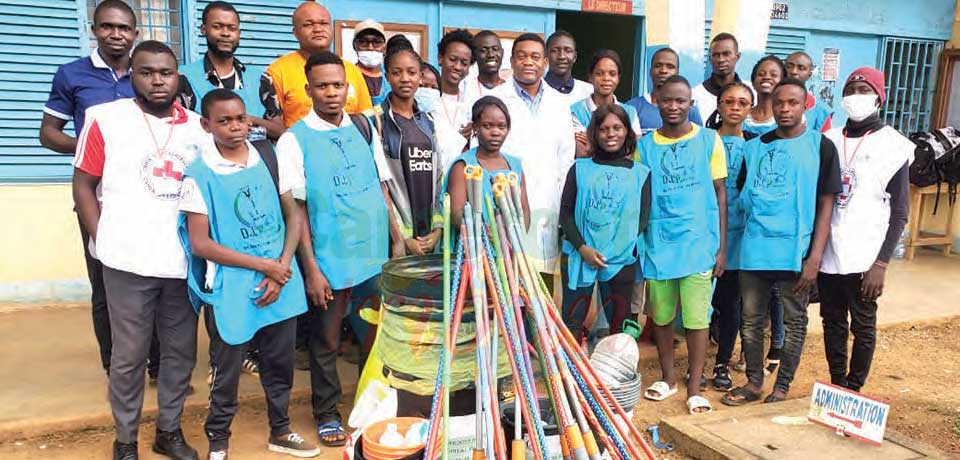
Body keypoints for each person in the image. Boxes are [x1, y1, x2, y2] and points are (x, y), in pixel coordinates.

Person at [73, 40, 205, 460]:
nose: (157, 80)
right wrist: (102, 240)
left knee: (180, 353)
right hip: (126, 258)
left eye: (165, 72)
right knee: (128, 356)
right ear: (132, 74)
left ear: (177, 76)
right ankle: (125, 439)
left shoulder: (199, 127)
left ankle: (168, 431)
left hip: (182, 261)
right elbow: (83, 184)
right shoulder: (104, 119)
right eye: (146, 72)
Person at [179, 89, 319, 460]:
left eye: (240, 118)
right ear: (206, 125)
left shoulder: (269, 157)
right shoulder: (198, 175)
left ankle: (281, 430)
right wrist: (264, 267)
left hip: (281, 279)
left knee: (280, 362)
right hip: (235, 285)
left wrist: (282, 266)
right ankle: (219, 439)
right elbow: (201, 244)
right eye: (223, 121)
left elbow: (294, 216)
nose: (235, 127)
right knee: (227, 367)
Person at [39, 0, 161, 380]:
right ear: (94, 30)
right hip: (98, 198)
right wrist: (95, 148)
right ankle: (117, 368)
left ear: (136, 33)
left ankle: (156, 365)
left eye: (124, 28)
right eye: (108, 26)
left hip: (149, 198)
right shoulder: (72, 75)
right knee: (107, 286)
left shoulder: (147, 76)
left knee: (155, 280)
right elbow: (48, 134)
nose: (116, 34)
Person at [275, 51, 390, 447]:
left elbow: (383, 188)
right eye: (322, 86)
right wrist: (312, 270)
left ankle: (370, 407)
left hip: (373, 256)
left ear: (348, 87)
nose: (331, 93)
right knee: (325, 341)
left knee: (374, 337)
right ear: (308, 90)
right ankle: (326, 412)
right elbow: (297, 212)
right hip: (330, 258)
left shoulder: (363, 128)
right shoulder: (294, 141)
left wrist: (397, 242)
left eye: (337, 85)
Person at [722, 78, 840, 406]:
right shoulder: (754, 147)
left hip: (796, 252)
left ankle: (783, 385)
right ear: (771, 106)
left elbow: (827, 203)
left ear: (805, 107)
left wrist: (815, 257)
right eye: (779, 103)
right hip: (755, 249)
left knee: (793, 320)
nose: (785, 109)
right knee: (751, 320)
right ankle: (755, 382)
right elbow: (744, 196)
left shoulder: (821, 146)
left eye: (793, 103)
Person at [636, 75, 727, 415]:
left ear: (691, 103)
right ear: (656, 101)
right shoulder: (644, 146)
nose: (673, 107)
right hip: (659, 244)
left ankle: (694, 386)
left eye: (680, 101)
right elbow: (641, 196)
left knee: (696, 317)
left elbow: (720, 194)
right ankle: (668, 378)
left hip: (698, 244)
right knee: (661, 316)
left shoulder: (708, 140)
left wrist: (721, 248)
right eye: (666, 100)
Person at [819, 67, 912, 392]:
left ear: (878, 96)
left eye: (863, 89)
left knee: (862, 324)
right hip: (830, 253)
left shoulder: (893, 145)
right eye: (851, 89)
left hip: (866, 257)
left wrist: (881, 263)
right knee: (832, 323)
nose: (856, 96)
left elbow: (900, 211)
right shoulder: (829, 139)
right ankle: (836, 385)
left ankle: (853, 390)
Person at [491, 33, 576, 292]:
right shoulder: (497, 99)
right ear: (512, 61)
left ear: (545, 62)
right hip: (506, 203)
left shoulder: (560, 104)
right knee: (506, 283)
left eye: (535, 57)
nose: (529, 62)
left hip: (547, 207)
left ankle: (539, 334)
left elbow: (565, 158)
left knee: (542, 288)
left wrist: (562, 206)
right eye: (522, 56)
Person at [560, 104, 650, 342]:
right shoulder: (579, 169)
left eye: (617, 128)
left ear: (627, 132)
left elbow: (642, 218)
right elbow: (566, 213)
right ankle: (572, 374)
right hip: (581, 256)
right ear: (595, 133)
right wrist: (583, 248)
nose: (611, 134)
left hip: (620, 259)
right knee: (572, 320)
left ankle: (612, 375)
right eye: (604, 129)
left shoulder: (641, 173)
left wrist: (615, 249)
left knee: (618, 325)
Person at [373, 42, 443, 257]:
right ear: (387, 76)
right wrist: (402, 236)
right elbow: (378, 185)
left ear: (420, 76)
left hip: (429, 235)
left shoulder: (427, 121)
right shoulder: (376, 120)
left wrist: (438, 229)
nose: (405, 78)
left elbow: (438, 179)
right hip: (396, 239)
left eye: (411, 72)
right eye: (397, 72)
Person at [180, 1, 283, 142]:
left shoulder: (259, 79)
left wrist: (248, 120)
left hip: (257, 161)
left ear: (239, 33)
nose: (225, 33)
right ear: (203, 29)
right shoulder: (185, 77)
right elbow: (179, 130)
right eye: (217, 27)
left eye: (232, 28)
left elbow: (279, 130)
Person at [710, 82, 756, 391]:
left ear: (750, 108)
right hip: (706, 228)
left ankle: (721, 363)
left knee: (731, 301)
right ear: (719, 105)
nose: (735, 107)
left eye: (742, 102)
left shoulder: (757, 145)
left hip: (742, 235)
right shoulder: (704, 139)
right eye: (729, 101)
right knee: (705, 300)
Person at [261, 1, 372, 128]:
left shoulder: (351, 70)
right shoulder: (277, 71)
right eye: (308, 24)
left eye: (324, 23)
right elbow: (273, 126)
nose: (318, 29)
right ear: (295, 32)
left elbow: (366, 117)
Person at [445, 96, 530, 230]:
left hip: (513, 246)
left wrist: (512, 236)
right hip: (476, 245)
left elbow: (524, 211)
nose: (495, 132)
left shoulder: (515, 166)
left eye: (502, 126)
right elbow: (456, 214)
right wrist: (487, 232)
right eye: (487, 126)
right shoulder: (463, 165)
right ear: (475, 127)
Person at [571, 49, 642, 157]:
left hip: (622, 173)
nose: (606, 78)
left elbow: (632, 152)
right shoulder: (576, 111)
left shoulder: (630, 112)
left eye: (612, 74)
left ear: (618, 78)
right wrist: (618, 145)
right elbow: (582, 152)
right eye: (599, 74)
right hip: (589, 172)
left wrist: (592, 141)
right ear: (590, 77)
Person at [625, 47, 702, 136]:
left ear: (677, 72)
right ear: (650, 71)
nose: (663, 71)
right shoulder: (632, 107)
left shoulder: (689, 108)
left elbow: (699, 141)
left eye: (670, 67)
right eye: (658, 66)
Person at [433, 29, 476, 169]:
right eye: (452, 59)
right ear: (440, 58)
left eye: (464, 63)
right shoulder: (426, 99)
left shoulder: (471, 103)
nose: (457, 67)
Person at [694, 33, 752, 127]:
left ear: (737, 56)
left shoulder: (751, 93)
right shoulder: (695, 95)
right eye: (716, 55)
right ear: (710, 59)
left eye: (726, 54)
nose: (721, 59)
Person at [786, 51, 833, 132]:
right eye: (789, 66)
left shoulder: (821, 113)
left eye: (801, 68)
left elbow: (823, 142)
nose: (794, 71)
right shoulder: (769, 102)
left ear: (809, 75)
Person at [544, 30, 593, 107]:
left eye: (568, 51)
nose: (562, 56)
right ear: (546, 55)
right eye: (555, 51)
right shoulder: (536, 90)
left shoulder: (588, 91)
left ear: (575, 57)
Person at [743, 55, 785, 136]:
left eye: (773, 75)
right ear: (753, 83)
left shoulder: (785, 118)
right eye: (761, 74)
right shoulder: (741, 115)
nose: (767, 77)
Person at [462, 30, 506, 105]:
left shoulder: (512, 89)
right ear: (474, 55)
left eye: (495, 49)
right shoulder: (465, 87)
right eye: (483, 50)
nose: (491, 55)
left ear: (502, 52)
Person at [353, 19, 390, 106]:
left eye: (376, 42)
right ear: (355, 46)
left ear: (384, 47)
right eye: (363, 42)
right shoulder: (348, 75)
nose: (370, 47)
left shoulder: (391, 76)